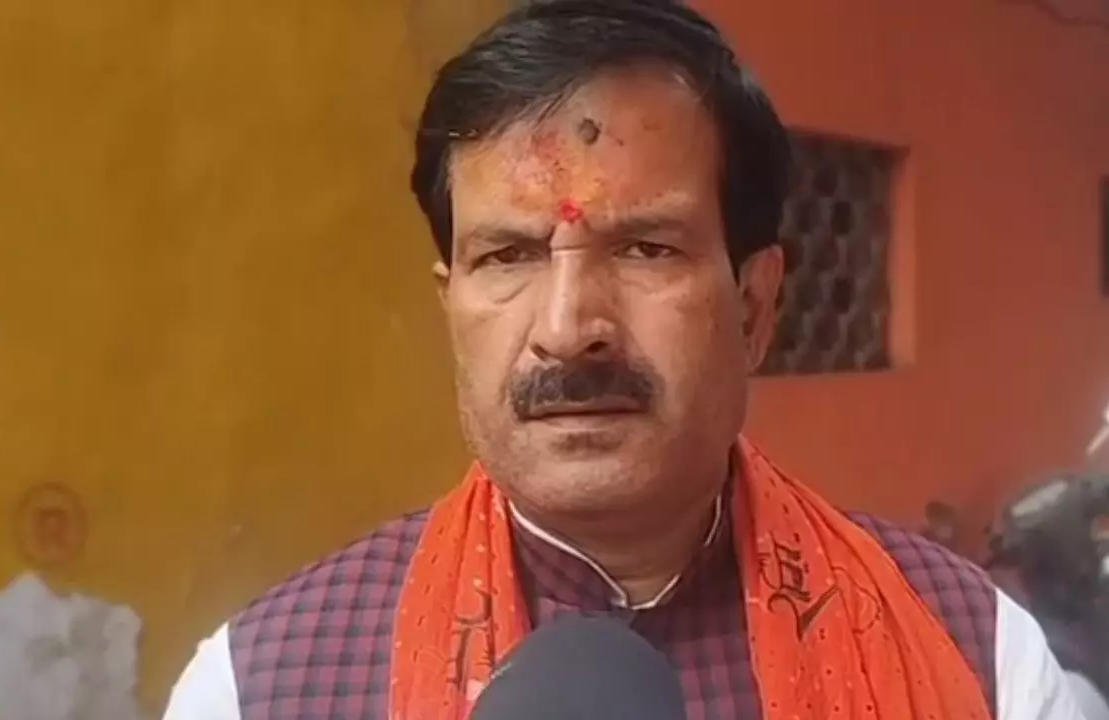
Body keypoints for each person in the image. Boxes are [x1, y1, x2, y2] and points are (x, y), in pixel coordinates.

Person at [164, 1, 1084, 717]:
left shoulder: (977, 657)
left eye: (646, 248)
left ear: (755, 307)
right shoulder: (265, 684)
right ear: (451, 308)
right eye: (509, 256)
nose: (570, 329)